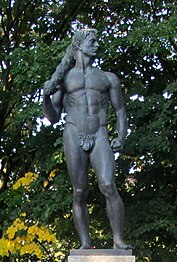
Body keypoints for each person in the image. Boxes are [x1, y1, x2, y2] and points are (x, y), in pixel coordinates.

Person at [43, 26, 130, 250]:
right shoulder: (64, 79)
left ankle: (118, 239)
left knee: (109, 185)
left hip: (100, 132)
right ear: (79, 44)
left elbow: (120, 110)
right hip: (73, 132)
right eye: (92, 41)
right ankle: (85, 242)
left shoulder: (108, 78)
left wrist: (121, 135)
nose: (97, 45)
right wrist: (45, 98)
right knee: (79, 191)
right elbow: (53, 117)